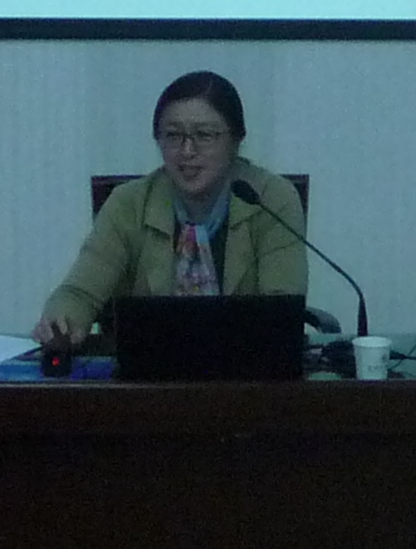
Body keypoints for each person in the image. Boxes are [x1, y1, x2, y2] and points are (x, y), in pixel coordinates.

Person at [34, 70, 307, 348]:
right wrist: (62, 321)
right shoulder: (129, 203)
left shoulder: (270, 199)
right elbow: (79, 292)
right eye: (173, 135)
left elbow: (282, 309)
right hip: (148, 368)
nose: (187, 151)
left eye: (204, 135)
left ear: (236, 140)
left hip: (248, 366)